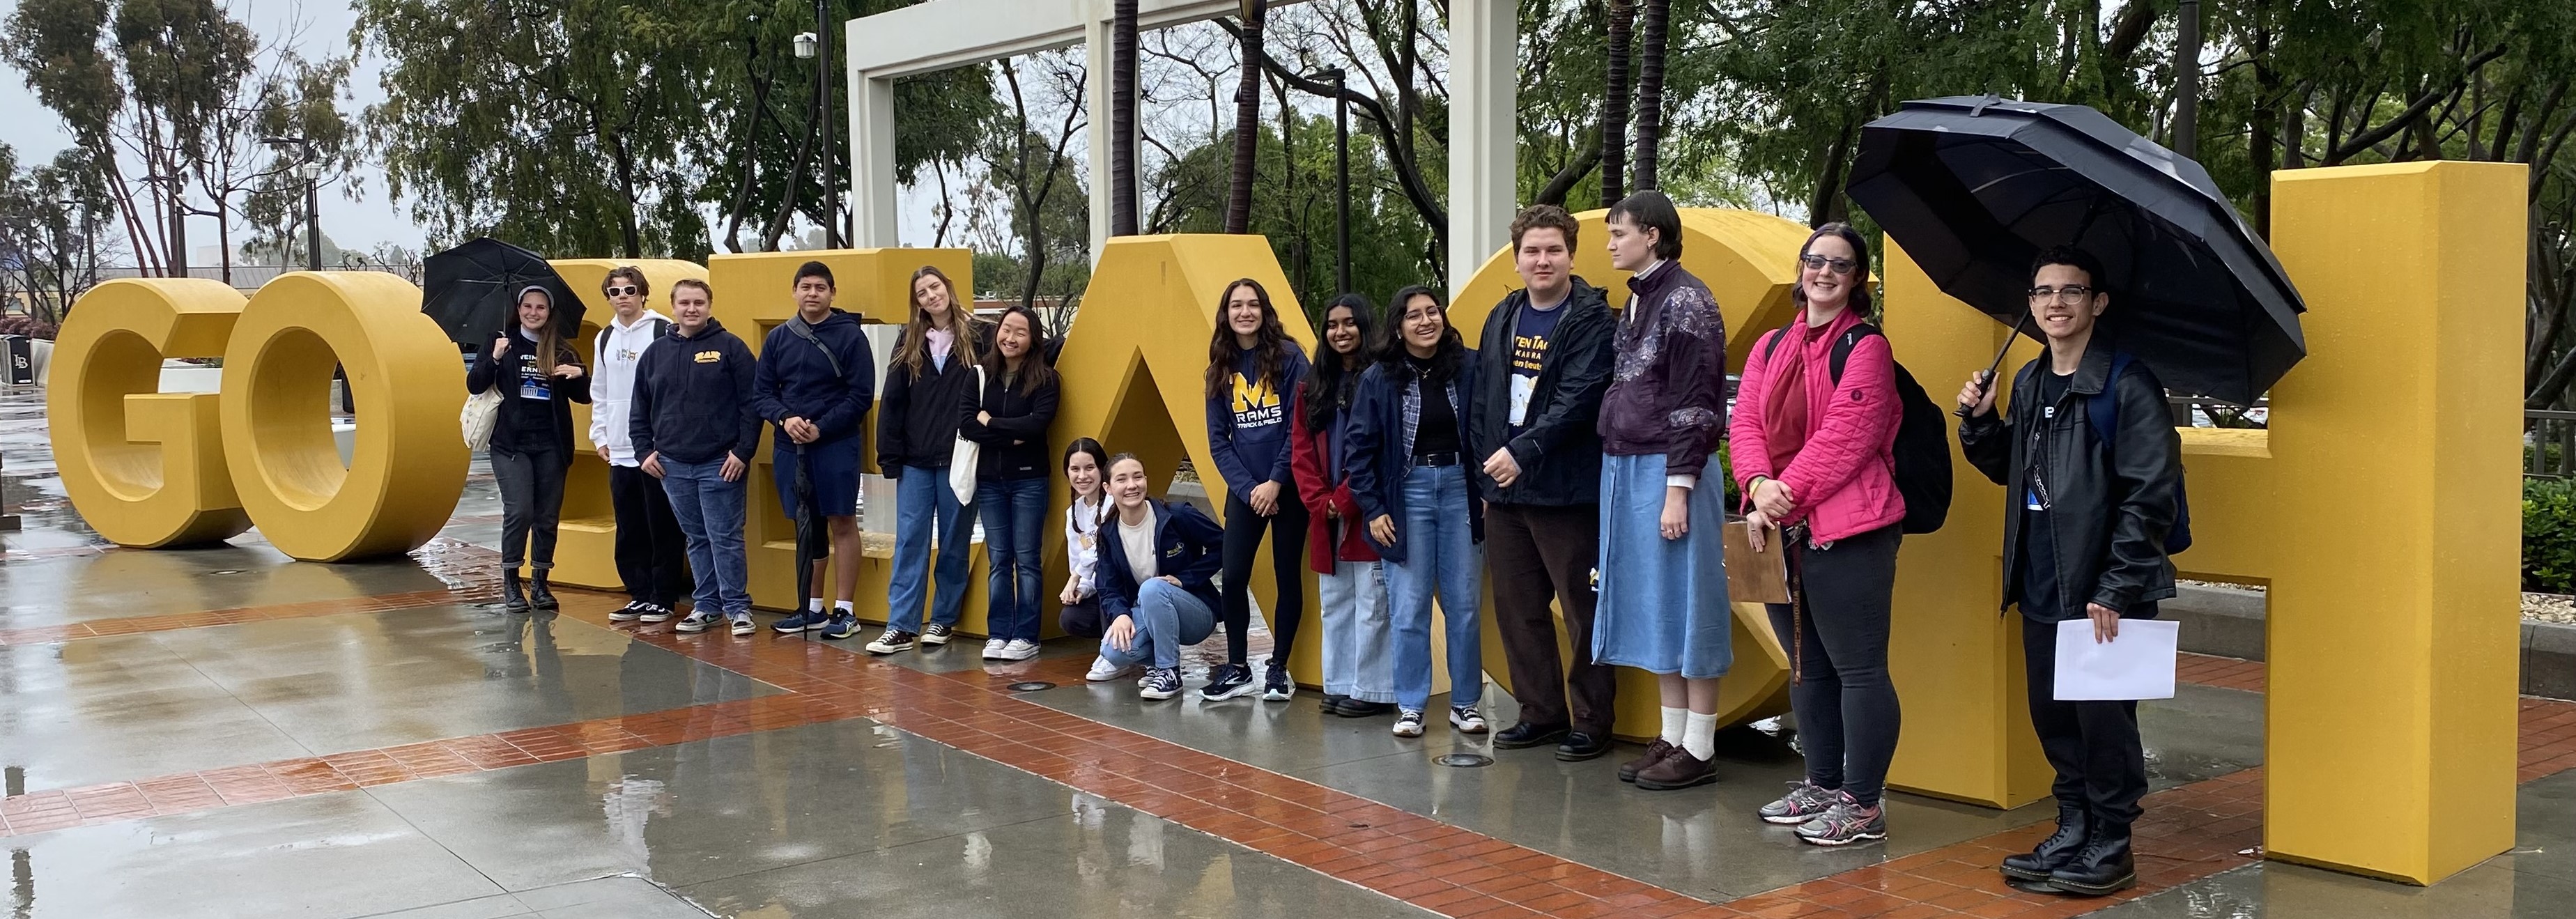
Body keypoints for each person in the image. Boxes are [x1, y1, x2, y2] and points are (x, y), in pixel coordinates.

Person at [1958, 247, 2181, 897]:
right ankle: (2074, 825)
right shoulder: (2029, 381)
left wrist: (2114, 587)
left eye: (2072, 291)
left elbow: (2150, 496)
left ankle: (2111, 841)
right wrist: (1979, 423)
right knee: (2053, 715)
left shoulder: (2127, 384)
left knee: (2103, 720)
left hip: (2102, 590)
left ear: (2097, 302)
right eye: (2044, 291)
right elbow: (2015, 474)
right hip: (2040, 582)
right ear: (2030, 304)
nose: (2056, 303)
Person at [1729, 223, 1908, 846]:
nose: (1824, 272)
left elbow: (1846, 438)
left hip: (1849, 530)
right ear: (1800, 269)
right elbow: (1745, 421)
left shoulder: (1865, 347)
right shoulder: (1770, 345)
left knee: (1859, 670)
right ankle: (1823, 784)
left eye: (1840, 264)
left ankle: (1862, 804)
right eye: (1814, 261)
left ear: (1858, 278)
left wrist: (1780, 497)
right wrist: (1755, 485)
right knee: (1806, 668)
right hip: (1780, 528)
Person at [1591, 190, 1733, 791]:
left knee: (1689, 602)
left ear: (1651, 234)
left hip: (1670, 470)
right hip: (1627, 464)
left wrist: (1678, 488)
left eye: (1618, 233)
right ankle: (1673, 735)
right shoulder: (1637, 302)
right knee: (1655, 604)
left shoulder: (1687, 300)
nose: (1609, 244)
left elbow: (1697, 404)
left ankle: (1699, 744)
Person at [1467, 204, 1618, 761]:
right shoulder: (1502, 315)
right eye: (1531, 250)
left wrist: (1523, 452)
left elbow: (1579, 399)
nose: (1542, 259)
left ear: (1571, 255)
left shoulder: (1593, 320)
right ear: (1516, 258)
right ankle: (1541, 712)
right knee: (1517, 609)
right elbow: (1483, 400)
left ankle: (1591, 720)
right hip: (1504, 493)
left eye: (1553, 249)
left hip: (1565, 491)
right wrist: (1485, 477)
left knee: (1582, 609)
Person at [1345, 286, 1487, 739]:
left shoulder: (1469, 367)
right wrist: (1372, 508)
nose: (1425, 321)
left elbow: (1489, 427)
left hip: (1461, 491)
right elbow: (1358, 450)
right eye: (1413, 315)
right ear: (1398, 326)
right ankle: (1410, 704)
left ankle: (1465, 704)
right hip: (1407, 496)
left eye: (1432, 312)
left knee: (1464, 606)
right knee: (1408, 609)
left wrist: (1485, 487)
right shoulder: (1378, 377)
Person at [628, 279, 762, 636]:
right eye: (685, 302)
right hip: (672, 465)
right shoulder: (655, 353)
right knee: (696, 537)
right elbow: (639, 408)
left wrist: (743, 452)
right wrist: (644, 451)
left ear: (709, 305)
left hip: (721, 463)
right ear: (672, 306)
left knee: (725, 536)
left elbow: (752, 405)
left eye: (699, 302)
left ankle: (737, 608)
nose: (692, 309)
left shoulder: (731, 348)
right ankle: (706, 607)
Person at [750, 261, 876, 640]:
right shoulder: (778, 339)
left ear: (832, 293)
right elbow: (762, 394)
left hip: (835, 444)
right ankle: (811, 608)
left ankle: (846, 611)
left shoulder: (850, 337)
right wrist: (785, 419)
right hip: (790, 446)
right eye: (805, 286)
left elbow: (860, 396)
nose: (812, 294)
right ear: (794, 291)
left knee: (841, 521)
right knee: (805, 525)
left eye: (821, 287)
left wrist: (821, 426)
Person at [1201, 279, 1313, 701]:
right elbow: (1218, 441)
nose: (1244, 312)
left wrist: (1276, 482)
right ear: (1226, 314)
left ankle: (1278, 668)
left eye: (1252, 304)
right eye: (1236, 305)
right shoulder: (1219, 368)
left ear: (1264, 310)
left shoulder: (1290, 357)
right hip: (1246, 493)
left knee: (1287, 577)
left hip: (1289, 488)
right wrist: (1250, 489)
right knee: (1233, 577)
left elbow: (1298, 427)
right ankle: (1237, 667)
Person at [870, 265, 988, 654]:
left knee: (955, 541)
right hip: (916, 460)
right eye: (922, 292)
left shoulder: (979, 334)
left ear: (948, 287)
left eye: (935, 286)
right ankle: (901, 625)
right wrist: (890, 456)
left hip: (961, 458)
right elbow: (893, 401)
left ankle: (942, 620)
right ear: (916, 301)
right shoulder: (909, 341)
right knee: (910, 542)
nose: (931, 296)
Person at [1290, 293, 1395, 718]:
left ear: (1365, 327)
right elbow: (1300, 451)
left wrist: (1346, 499)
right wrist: (1320, 501)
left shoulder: (1383, 380)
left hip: (1367, 509)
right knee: (1335, 601)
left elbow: (1381, 451)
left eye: (1349, 323)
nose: (1340, 332)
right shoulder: (1313, 387)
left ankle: (1371, 690)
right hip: (1326, 515)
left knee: (1373, 603)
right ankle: (1338, 683)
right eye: (1332, 325)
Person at [466, 285, 589, 614]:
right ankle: (510, 581)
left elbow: (584, 396)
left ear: (550, 314)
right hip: (511, 445)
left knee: (547, 518)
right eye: (528, 306)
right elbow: (476, 384)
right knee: (520, 511)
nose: (533, 313)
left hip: (551, 444)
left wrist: (581, 375)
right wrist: (494, 357)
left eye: (541, 308)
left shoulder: (561, 350)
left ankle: (540, 583)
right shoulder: (501, 342)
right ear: (518, 309)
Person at [589, 266, 689, 624]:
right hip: (618, 449)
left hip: (656, 449)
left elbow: (678, 389)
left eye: (629, 290)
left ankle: (663, 597)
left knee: (661, 525)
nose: (623, 297)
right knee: (630, 525)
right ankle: (639, 594)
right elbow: (599, 392)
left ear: (643, 293)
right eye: (614, 292)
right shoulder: (604, 338)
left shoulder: (664, 331)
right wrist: (600, 435)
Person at [961, 305, 1061, 662]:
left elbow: (1037, 426)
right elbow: (967, 425)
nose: (1011, 337)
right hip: (990, 481)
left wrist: (991, 423)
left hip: (1030, 480)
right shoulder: (978, 376)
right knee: (999, 558)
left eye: (1021, 331)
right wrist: (1005, 432)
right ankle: (998, 632)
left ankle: (1026, 635)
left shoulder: (1046, 379)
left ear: (1033, 339)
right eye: (1006, 329)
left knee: (1027, 558)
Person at [1086, 454, 1226, 700]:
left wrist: (1186, 579)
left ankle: (1169, 672)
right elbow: (1108, 587)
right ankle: (1155, 662)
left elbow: (1226, 546)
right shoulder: (1108, 533)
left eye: (1138, 477)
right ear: (1108, 488)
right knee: (1113, 652)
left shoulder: (1178, 516)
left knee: (1152, 589)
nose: (1132, 485)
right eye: (1122, 479)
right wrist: (1119, 614)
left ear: (1146, 480)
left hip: (1195, 612)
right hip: (1147, 610)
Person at [1060, 438, 1113, 648]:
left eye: (1090, 468)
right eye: (1075, 469)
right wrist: (1081, 589)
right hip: (1100, 587)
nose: (1082, 476)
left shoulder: (1113, 501)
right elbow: (1079, 566)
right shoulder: (1073, 512)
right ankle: (1116, 647)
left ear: (1102, 469)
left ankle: (1115, 653)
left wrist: (1075, 578)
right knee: (1071, 617)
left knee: (1107, 584)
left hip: (1124, 585)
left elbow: (1100, 549)